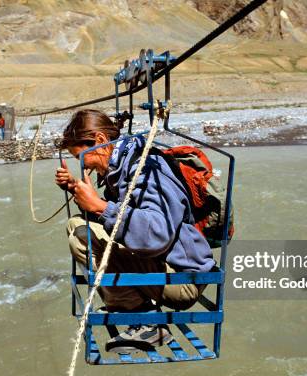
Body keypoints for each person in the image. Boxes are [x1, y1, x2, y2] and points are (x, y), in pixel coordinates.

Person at [55, 109, 215, 354]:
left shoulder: (146, 169)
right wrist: (79, 192)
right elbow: (118, 222)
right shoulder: (121, 169)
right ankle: (134, 307)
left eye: (81, 157)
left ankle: (147, 322)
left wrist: (99, 206)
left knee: (80, 235)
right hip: (163, 265)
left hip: (182, 277)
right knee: (77, 225)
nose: (83, 165)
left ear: (99, 141)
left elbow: (158, 235)